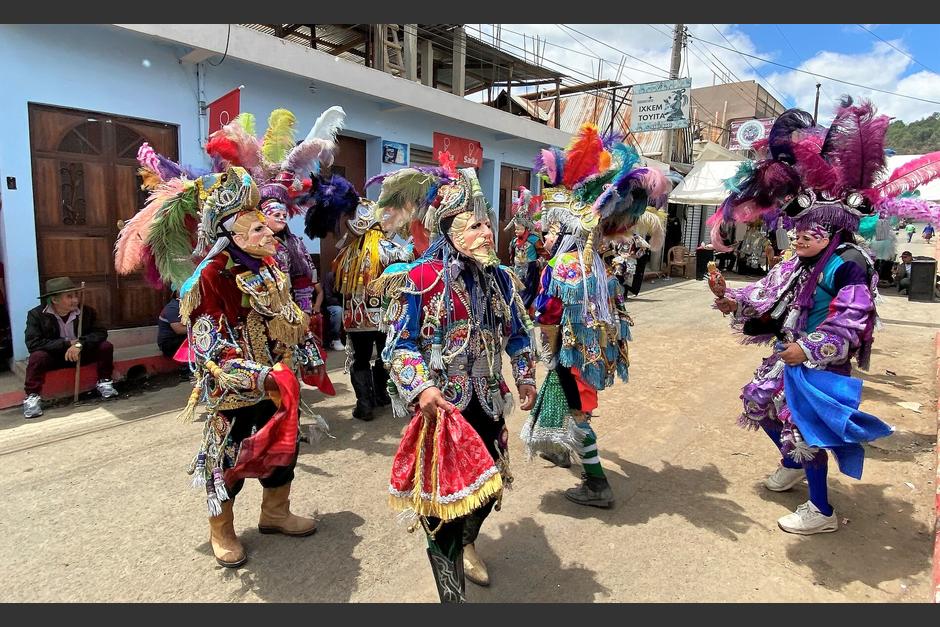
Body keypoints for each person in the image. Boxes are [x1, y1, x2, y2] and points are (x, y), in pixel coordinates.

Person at [115, 107, 343, 569]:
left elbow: (288, 317)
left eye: (266, 223)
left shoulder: (272, 264)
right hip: (236, 390)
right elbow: (209, 347)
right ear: (229, 233)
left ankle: (275, 512)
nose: (268, 231)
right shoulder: (212, 277)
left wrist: (302, 355)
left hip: (279, 379)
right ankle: (221, 528)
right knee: (228, 457)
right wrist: (261, 378)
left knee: (283, 449)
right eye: (256, 226)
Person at [706, 99, 936, 534]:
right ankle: (792, 465)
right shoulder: (798, 261)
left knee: (805, 432)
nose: (797, 236)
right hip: (787, 353)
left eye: (810, 230)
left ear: (834, 227)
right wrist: (730, 299)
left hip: (819, 363)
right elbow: (767, 296)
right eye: (796, 228)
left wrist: (807, 347)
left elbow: (850, 322)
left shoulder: (849, 262)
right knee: (758, 402)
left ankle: (821, 511)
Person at [371, 162, 536, 601]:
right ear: (450, 230)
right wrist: (422, 387)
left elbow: (519, 334)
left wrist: (523, 377)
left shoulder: (501, 279)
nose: (487, 232)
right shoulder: (420, 279)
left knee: (487, 489)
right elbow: (399, 345)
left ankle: (468, 542)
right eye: (476, 224)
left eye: (488, 223)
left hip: (486, 403)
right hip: (442, 410)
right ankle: (452, 599)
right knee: (440, 510)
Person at [521, 125, 671, 508]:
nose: (550, 234)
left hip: (571, 352)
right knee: (570, 403)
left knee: (578, 412)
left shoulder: (565, 266)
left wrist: (547, 345)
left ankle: (597, 482)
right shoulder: (597, 266)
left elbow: (549, 315)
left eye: (555, 228)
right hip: (593, 351)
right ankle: (558, 448)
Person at [305, 180, 412, 422]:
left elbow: (339, 286)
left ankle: (365, 405)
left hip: (356, 318)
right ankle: (383, 396)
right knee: (386, 356)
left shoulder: (346, 254)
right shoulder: (391, 249)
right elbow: (407, 270)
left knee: (360, 359)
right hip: (386, 316)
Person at [23, 277, 117, 418]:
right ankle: (32, 397)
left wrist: (79, 344)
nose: (75, 300)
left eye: (75, 295)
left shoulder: (86, 312)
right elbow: (33, 343)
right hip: (56, 356)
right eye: (69, 296)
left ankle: (104, 382)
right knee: (37, 357)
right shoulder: (36, 315)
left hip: (80, 353)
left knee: (105, 347)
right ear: (55, 300)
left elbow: (100, 332)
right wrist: (67, 344)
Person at [504, 187, 545, 309]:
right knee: (516, 291)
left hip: (530, 272)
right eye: (515, 229)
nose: (516, 231)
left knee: (528, 292)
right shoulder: (514, 241)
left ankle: (525, 310)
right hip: (517, 270)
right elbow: (512, 255)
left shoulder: (534, 240)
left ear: (526, 228)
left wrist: (538, 263)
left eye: (519, 229)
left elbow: (544, 254)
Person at [157, 293, 186, 359]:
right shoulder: (173, 307)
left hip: (179, 338)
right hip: (168, 343)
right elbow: (179, 330)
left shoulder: (185, 305)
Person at [321, 270, 345, 351]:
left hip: (348, 303)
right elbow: (328, 297)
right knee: (338, 311)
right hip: (334, 304)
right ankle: (335, 339)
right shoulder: (330, 276)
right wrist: (342, 303)